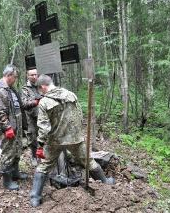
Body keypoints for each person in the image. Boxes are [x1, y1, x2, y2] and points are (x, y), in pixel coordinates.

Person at [29, 75, 115, 207]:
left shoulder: (44, 102)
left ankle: (35, 197)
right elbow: (79, 115)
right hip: (75, 139)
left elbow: (43, 126)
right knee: (88, 161)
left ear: (42, 87)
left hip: (54, 141)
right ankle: (104, 183)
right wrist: (76, 133)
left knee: (44, 165)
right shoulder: (71, 95)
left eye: (41, 90)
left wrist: (40, 144)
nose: (41, 92)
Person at [0, 64, 37, 190]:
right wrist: (7, 128)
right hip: (8, 126)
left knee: (17, 149)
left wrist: (35, 102)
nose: (16, 79)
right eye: (15, 77)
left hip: (16, 124)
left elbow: (20, 105)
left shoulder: (10, 89)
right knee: (8, 152)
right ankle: (6, 181)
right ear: (8, 75)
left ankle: (15, 172)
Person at [21, 68, 42, 166]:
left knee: (44, 136)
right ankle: (34, 156)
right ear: (28, 76)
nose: (34, 77)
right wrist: (35, 101)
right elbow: (24, 104)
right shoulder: (25, 89)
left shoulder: (42, 85)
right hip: (31, 117)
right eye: (32, 75)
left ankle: (43, 155)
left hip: (43, 116)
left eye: (36, 75)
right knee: (33, 137)